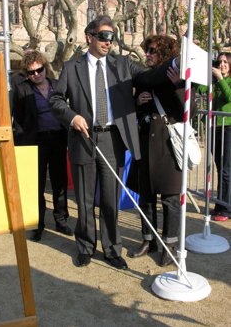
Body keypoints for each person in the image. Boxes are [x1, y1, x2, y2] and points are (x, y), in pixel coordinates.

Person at [50, 15, 175, 269]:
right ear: (90, 37)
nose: (109, 42)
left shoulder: (123, 65)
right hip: (83, 138)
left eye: (112, 37)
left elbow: (150, 78)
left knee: (110, 198)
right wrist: (71, 116)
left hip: (113, 139)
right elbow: (55, 99)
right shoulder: (72, 68)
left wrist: (176, 64)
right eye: (104, 36)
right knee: (84, 199)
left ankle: (111, 248)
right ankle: (85, 246)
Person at [128, 35, 196, 266]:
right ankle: (149, 240)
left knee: (170, 201)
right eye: (147, 50)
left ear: (164, 54)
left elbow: (191, 111)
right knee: (145, 198)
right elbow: (136, 113)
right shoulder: (144, 79)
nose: (147, 54)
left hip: (168, 147)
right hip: (146, 145)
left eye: (152, 51)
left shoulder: (178, 76)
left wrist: (179, 85)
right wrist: (138, 103)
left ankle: (170, 244)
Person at [11, 50, 73, 242]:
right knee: (36, 183)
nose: (36, 74)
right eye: (31, 72)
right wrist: (20, 142)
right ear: (26, 74)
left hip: (58, 138)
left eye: (39, 70)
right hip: (35, 141)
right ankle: (38, 223)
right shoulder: (22, 89)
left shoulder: (56, 86)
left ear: (45, 67)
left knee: (59, 180)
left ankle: (61, 219)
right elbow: (17, 118)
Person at [209, 52, 231, 221]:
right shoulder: (215, 81)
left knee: (226, 170)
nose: (222, 64)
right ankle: (219, 204)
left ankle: (225, 209)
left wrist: (221, 79)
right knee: (220, 168)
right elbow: (200, 88)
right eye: (219, 61)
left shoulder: (226, 81)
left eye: (225, 61)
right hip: (215, 128)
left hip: (228, 128)